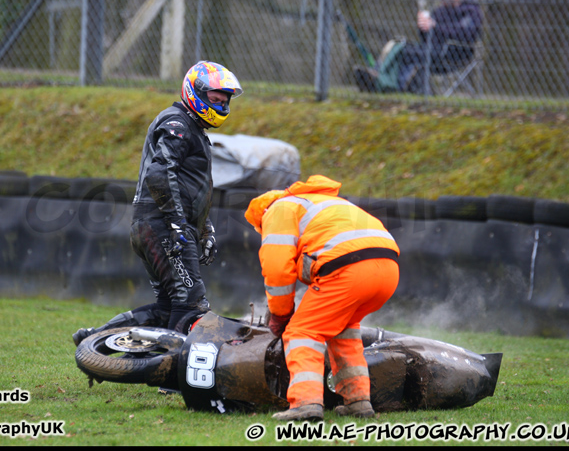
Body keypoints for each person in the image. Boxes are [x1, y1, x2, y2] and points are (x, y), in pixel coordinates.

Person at [73, 61, 243, 345]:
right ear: (195, 93)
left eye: (224, 101)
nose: (221, 106)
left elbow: (190, 190)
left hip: (158, 224)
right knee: (190, 307)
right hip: (163, 226)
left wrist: (205, 230)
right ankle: (170, 378)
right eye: (215, 99)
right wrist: (177, 225)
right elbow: (160, 174)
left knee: (168, 308)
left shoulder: (192, 127)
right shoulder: (178, 123)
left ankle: (96, 340)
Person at [244, 175, 400, 421]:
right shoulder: (322, 204)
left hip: (349, 268)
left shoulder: (278, 209)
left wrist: (281, 313)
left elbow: (277, 269)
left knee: (302, 331)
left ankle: (305, 403)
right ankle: (358, 401)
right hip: (388, 269)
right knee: (343, 330)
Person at [354, 0, 482, 94]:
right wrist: (423, 27)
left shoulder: (471, 11)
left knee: (403, 52)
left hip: (454, 54)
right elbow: (426, 39)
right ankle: (380, 79)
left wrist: (435, 26)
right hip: (433, 50)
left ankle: (381, 81)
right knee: (397, 45)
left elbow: (465, 35)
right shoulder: (440, 11)